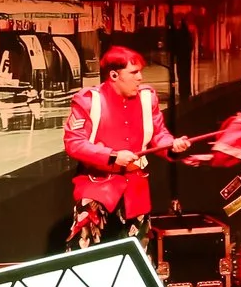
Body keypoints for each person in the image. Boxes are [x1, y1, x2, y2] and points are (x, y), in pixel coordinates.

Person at [62, 46, 192, 248]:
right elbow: (74, 143)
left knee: (136, 250)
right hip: (97, 186)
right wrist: (112, 156)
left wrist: (172, 145)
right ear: (114, 75)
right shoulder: (89, 101)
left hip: (135, 186)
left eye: (140, 72)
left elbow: (159, 134)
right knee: (86, 251)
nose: (140, 78)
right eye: (133, 72)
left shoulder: (147, 99)